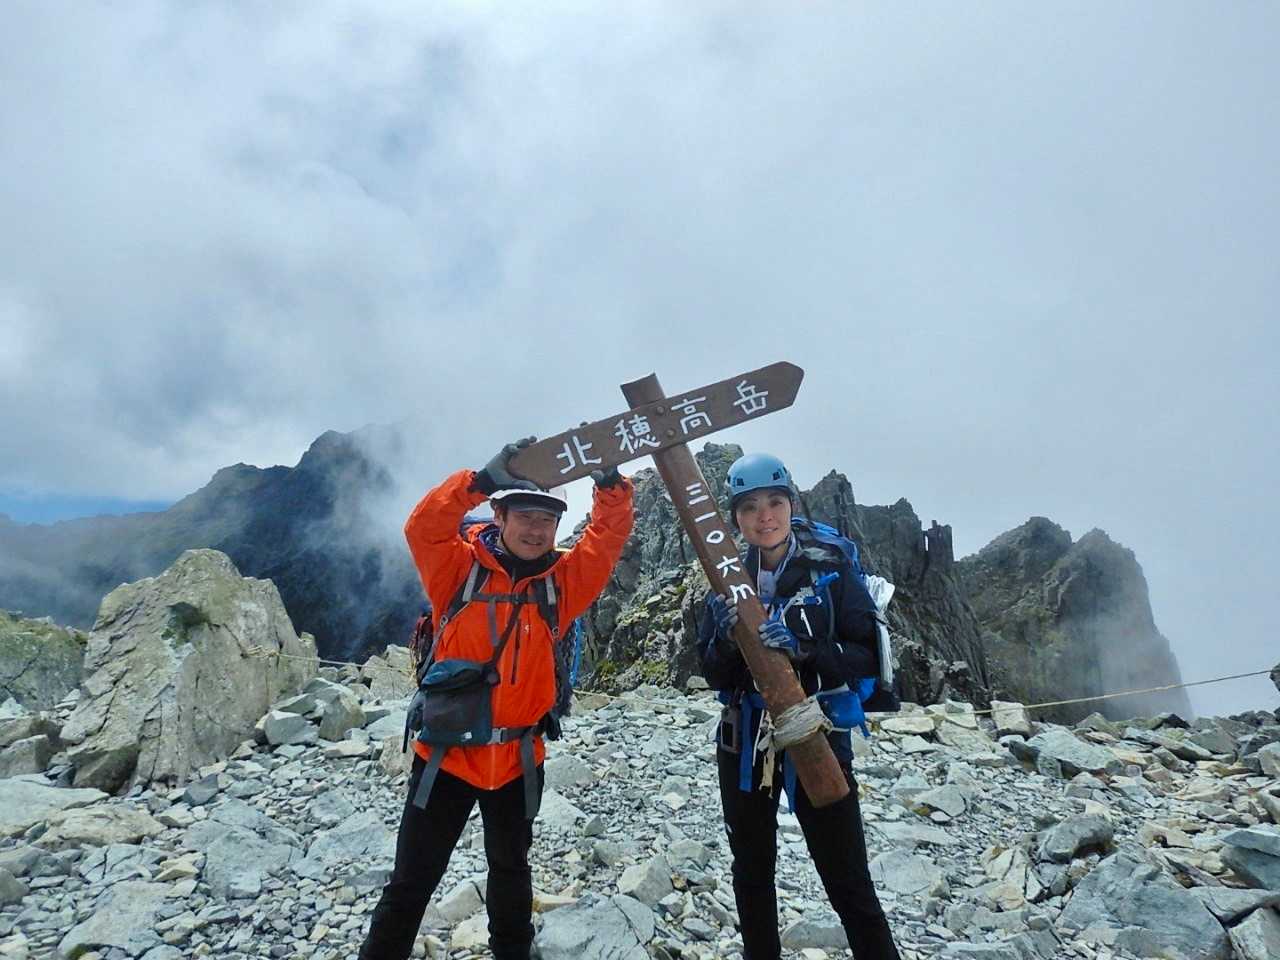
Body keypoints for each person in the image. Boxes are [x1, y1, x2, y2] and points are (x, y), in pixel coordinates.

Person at [359, 438, 634, 960]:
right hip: (445, 758)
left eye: (547, 520)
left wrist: (609, 486)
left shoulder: (561, 586)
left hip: (517, 760)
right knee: (412, 882)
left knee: (511, 874)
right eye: (525, 516)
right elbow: (423, 527)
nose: (536, 529)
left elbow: (606, 540)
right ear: (499, 516)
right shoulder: (458, 571)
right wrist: (480, 481)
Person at [697, 452, 901, 960]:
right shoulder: (726, 581)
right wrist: (725, 640)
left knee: (847, 877)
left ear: (792, 505)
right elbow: (714, 675)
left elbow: (866, 655)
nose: (764, 516)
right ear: (736, 517)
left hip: (819, 731)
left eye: (774, 502)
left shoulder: (830, 572)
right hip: (744, 738)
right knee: (751, 872)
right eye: (749, 507)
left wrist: (804, 649)